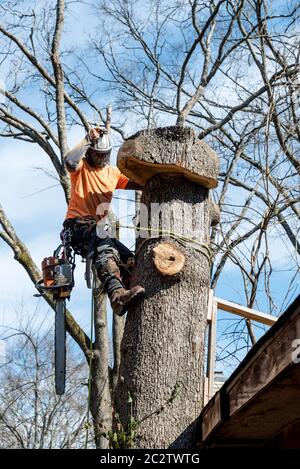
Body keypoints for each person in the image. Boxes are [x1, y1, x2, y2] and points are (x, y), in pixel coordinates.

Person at [62, 127, 145, 316]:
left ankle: (130, 288)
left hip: (97, 230)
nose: (103, 159)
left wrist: (159, 178)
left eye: (106, 155)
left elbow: (137, 182)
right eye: (99, 155)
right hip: (77, 226)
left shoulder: (112, 173)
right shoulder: (81, 167)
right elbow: (69, 161)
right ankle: (117, 294)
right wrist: (86, 140)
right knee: (104, 246)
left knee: (128, 257)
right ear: (90, 152)